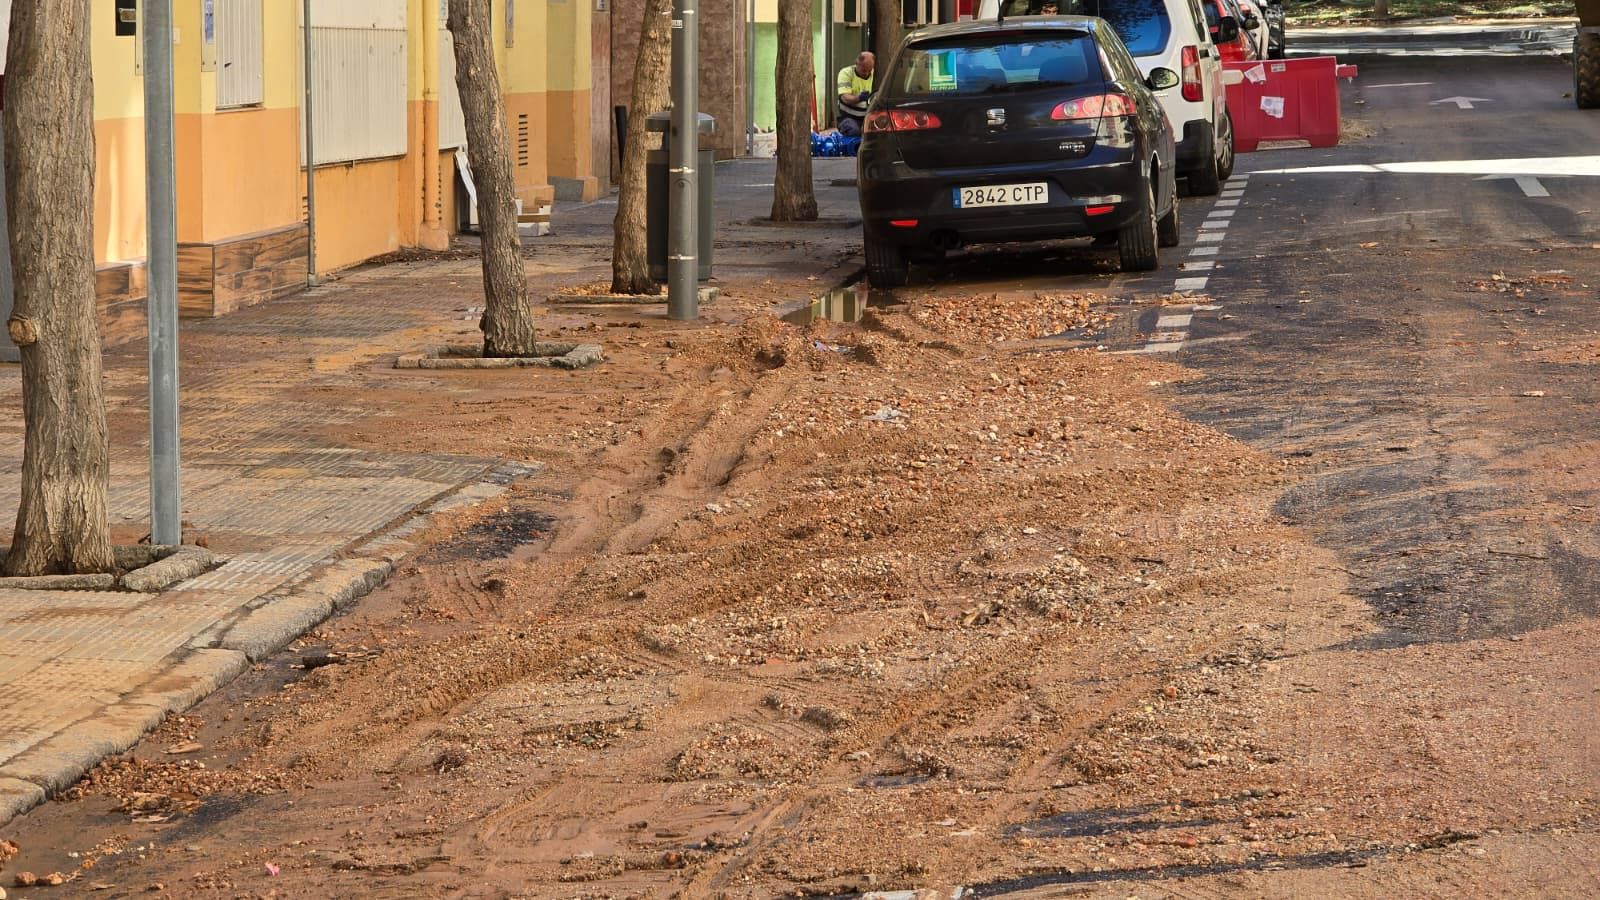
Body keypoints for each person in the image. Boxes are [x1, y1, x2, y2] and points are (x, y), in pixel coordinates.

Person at [835, 51, 875, 137]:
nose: (867, 73)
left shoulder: (874, 74)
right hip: (848, 118)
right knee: (854, 131)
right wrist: (859, 98)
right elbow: (844, 98)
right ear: (856, 63)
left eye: (869, 70)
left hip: (868, 118)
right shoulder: (846, 73)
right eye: (864, 70)